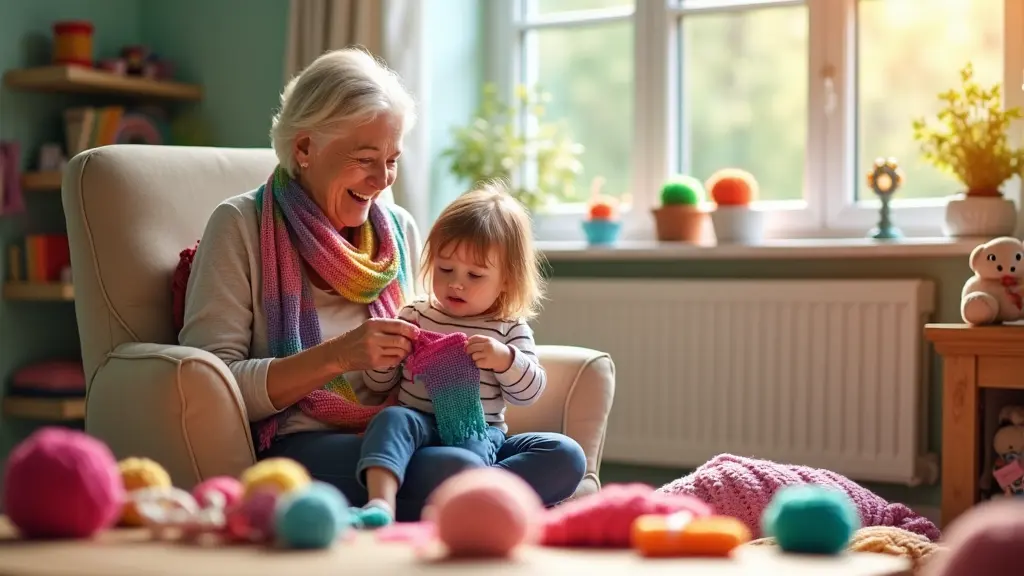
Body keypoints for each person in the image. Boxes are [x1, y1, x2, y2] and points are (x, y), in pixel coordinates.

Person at [178, 47, 587, 522]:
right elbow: (210, 386)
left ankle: (471, 493)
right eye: (366, 158)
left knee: (562, 456)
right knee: (452, 466)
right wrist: (338, 355)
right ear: (305, 149)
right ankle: (480, 498)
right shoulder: (240, 226)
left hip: (422, 430)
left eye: (392, 159)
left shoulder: (396, 228)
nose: (382, 179)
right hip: (307, 439)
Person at [356, 183, 554, 525]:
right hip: (416, 422)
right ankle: (380, 504)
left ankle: (472, 498)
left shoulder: (508, 328)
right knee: (389, 419)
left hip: (477, 430)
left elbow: (530, 392)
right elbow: (376, 383)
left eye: (474, 275)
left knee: (561, 453)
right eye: (445, 269)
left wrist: (505, 360)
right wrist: (387, 356)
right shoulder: (415, 314)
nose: (456, 284)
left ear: (506, 280)